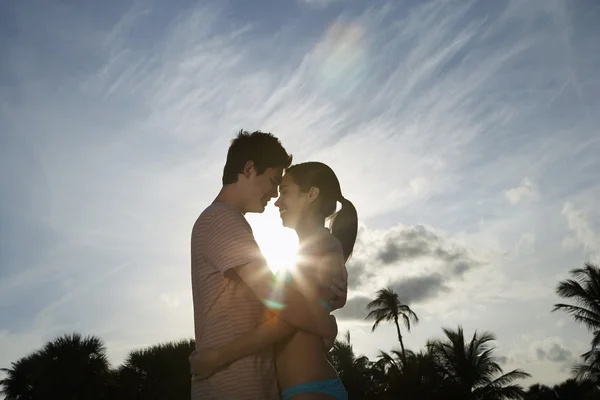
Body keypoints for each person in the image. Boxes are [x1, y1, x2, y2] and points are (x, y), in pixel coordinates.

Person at [190, 131, 348, 400]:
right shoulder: (221, 220)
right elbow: (285, 303)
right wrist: (322, 321)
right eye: (275, 182)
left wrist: (319, 318)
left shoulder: (231, 223)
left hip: (253, 383)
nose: (274, 195)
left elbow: (280, 306)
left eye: (283, 188)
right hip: (231, 385)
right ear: (250, 169)